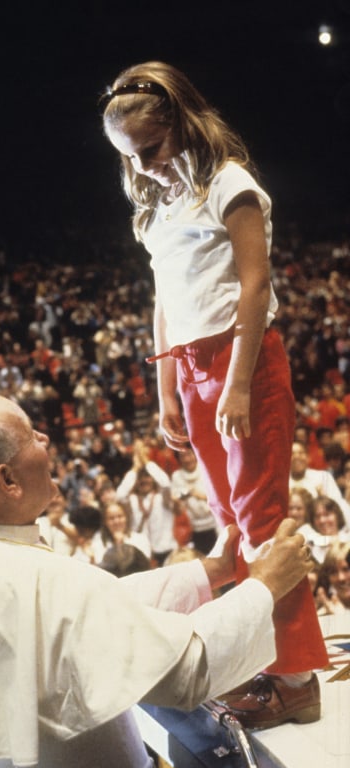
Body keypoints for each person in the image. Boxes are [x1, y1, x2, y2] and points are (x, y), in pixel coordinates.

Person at [0, 388, 316, 768]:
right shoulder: (32, 577)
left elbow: (93, 614)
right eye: (30, 436)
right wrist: (264, 587)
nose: (46, 440)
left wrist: (208, 572)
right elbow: (186, 671)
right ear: (7, 480)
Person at [101, 60, 327, 725]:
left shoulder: (228, 182)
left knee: (259, 517)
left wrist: (234, 384)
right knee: (229, 521)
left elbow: (255, 287)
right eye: (127, 158)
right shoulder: (156, 203)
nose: (140, 166)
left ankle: (297, 678)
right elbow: (165, 300)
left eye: (148, 149)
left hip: (244, 358)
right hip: (194, 366)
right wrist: (168, 386)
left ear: (175, 119)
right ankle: (256, 661)